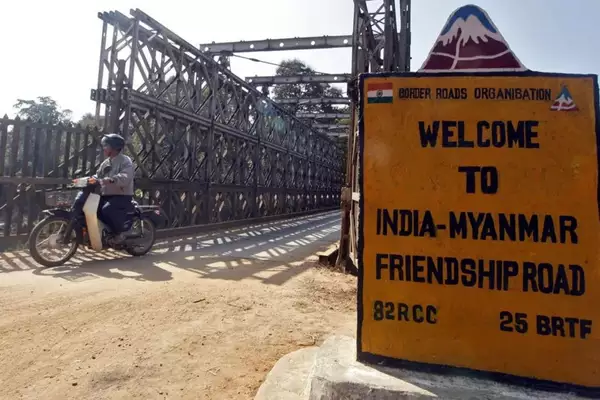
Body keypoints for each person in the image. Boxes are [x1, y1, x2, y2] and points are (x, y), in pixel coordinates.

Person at [96, 133, 135, 243]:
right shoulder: (106, 162)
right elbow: (98, 175)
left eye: (106, 146)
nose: (104, 148)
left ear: (115, 147)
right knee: (94, 209)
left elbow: (126, 177)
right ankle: (106, 233)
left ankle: (119, 233)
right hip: (106, 195)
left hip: (122, 196)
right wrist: (89, 179)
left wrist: (112, 179)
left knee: (107, 209)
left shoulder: (125, 160)